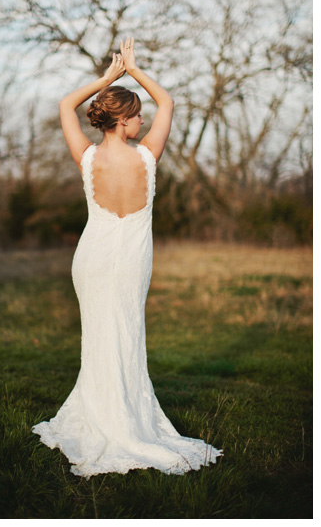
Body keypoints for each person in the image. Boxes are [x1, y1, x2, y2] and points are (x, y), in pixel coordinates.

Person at [31, 38, 222, 477]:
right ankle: (123, 422)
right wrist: (132, 71)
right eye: (137, 115)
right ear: (121, 121)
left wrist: (105, 78)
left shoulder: (88, 157)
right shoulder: (148, 157)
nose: (143, 120)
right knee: (126, 336)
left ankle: (105, 418)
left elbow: (65, 104)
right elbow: (168, 100)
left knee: (100, 339)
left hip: (92, 261)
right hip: (131, 261)